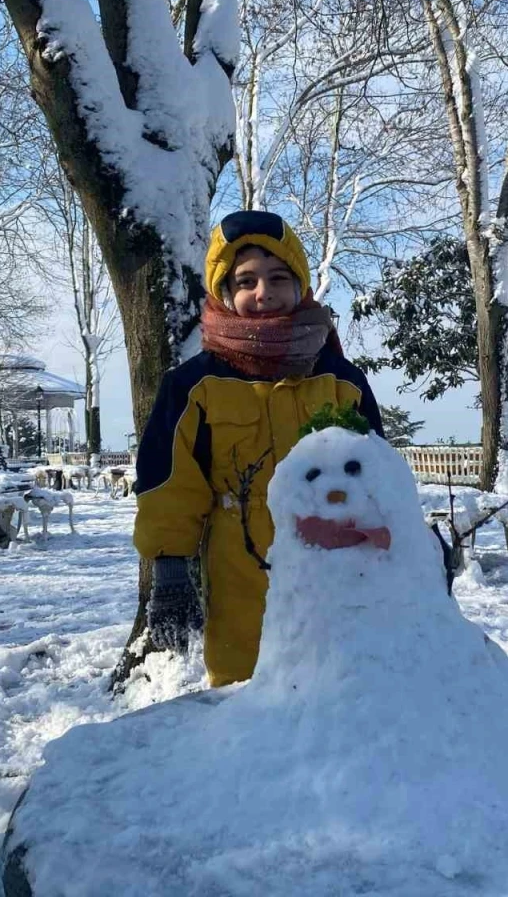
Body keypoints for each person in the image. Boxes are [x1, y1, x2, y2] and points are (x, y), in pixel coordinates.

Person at [133, 210, 383, 686]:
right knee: (245, 691)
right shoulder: (192, 386)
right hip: (237, 573)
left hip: (335, 564)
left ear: (301, 285)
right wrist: (169, 563)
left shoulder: (341, 382)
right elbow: (170, 484)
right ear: (225, 294)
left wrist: (408, 545)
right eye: (245, 281)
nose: (263, 292)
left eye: (278, 277)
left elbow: (377, 473)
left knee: (340, 684)